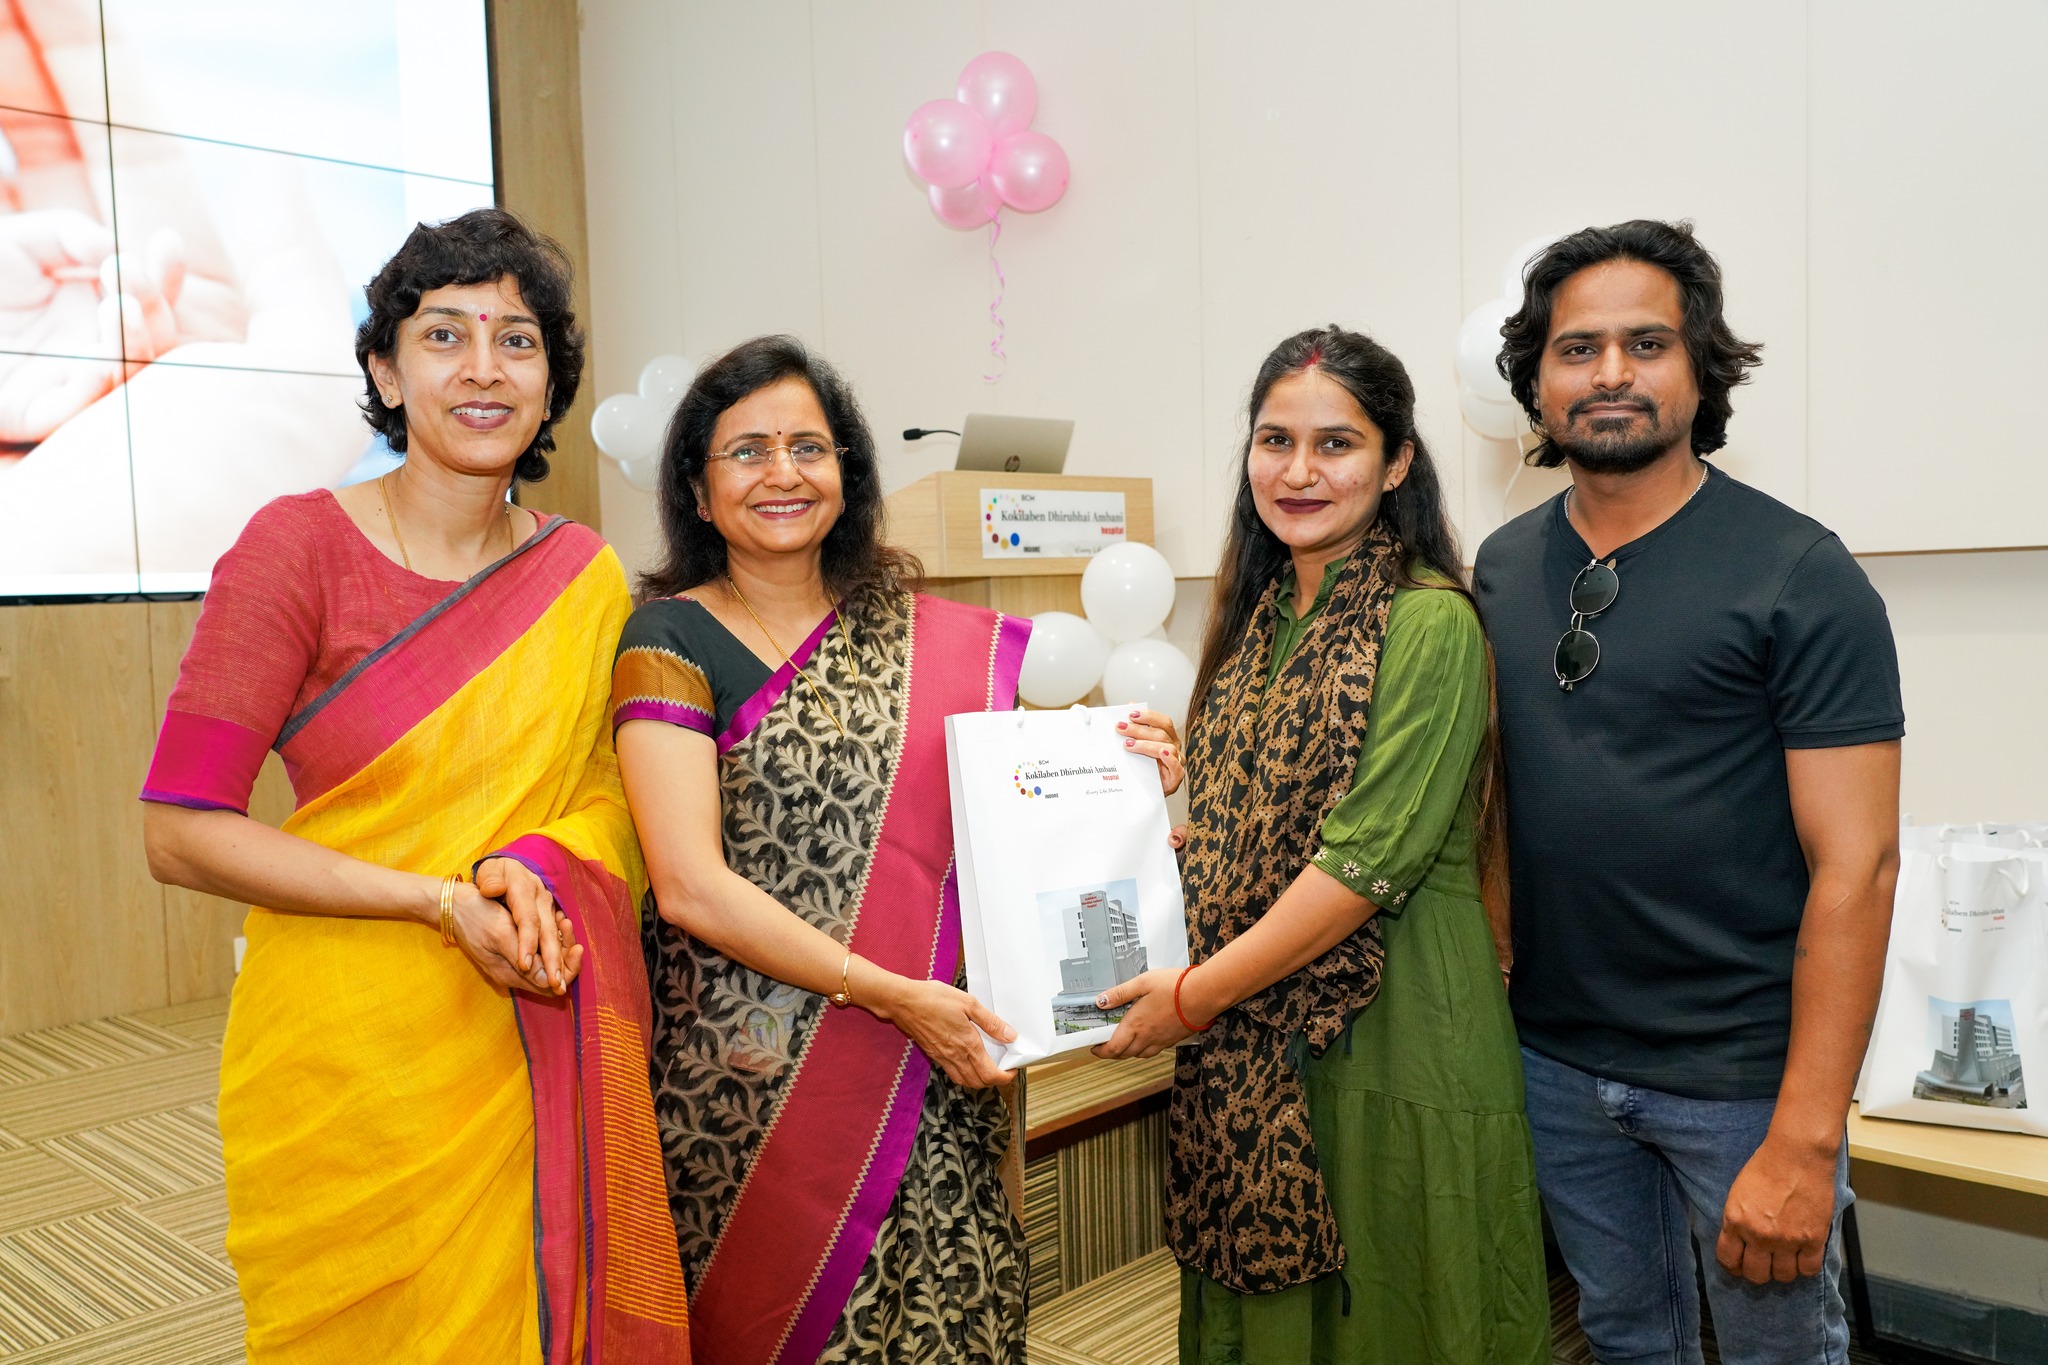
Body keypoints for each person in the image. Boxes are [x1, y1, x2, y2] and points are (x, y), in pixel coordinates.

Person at [140, 208, 689, 1365]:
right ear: (386, 373)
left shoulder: (583, 576)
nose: (483, 368)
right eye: (443, 335)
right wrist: (438, 901)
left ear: (551, 383)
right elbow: (180, 831)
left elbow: (608, 793)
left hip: (528, 1021)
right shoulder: (293, 549)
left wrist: (526, 866)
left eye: (517, 340)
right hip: (345, 1049)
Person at [1474, 219, 1903, 1364]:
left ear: (1699, 368)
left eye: (1646, 343)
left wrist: (1804, 1136)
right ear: (1533, 379)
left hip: (1741, 1080)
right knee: (1623, 1339)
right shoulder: (1500, 568)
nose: (1609, 372)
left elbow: (1857, 867)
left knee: (1777, 1354)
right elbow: (1492, 799)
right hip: (1555, 1062)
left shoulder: (1797, 574)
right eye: (1576, 348)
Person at [1094, 326, 1549, 1364]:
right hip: (1264, 1039)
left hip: (1396, 1030)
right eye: (1275, 441)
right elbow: (1253, 835)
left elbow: (1359, 865)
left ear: (1394, 464)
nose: (1298, 471)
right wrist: (1167, 800)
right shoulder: (1255, 622)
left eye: (1335, 444)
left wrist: (1192, 1000)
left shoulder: (1427, 621)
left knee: (1396, 1316)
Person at [611, 334, 1030, 1365]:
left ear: (847, 472)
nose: (783, 473)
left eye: (808, 447)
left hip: (929, 1054)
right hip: (752, 1076)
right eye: (747, 451)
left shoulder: (920, 633)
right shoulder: (667, 639)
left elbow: (1002, 814)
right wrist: (885, 992)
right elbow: (688, 886)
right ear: (698, 491)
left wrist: (1119, 780)